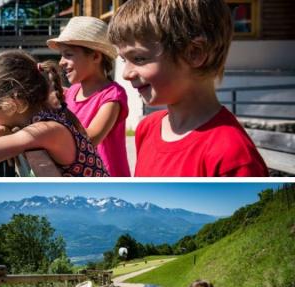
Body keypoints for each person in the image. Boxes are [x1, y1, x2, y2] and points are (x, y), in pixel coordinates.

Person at [107, 0, 268, 177]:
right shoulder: (147, 128)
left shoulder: (232, 156)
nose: (126, 74)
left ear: (195, 53)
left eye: (138, 58)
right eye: (124, 60)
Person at [47, 16, 130, 177]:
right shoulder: (71, 92)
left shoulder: (112, 95)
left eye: (68, 54)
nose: (61, 62)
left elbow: (90, 140)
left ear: (95, 57)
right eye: (62, 55)